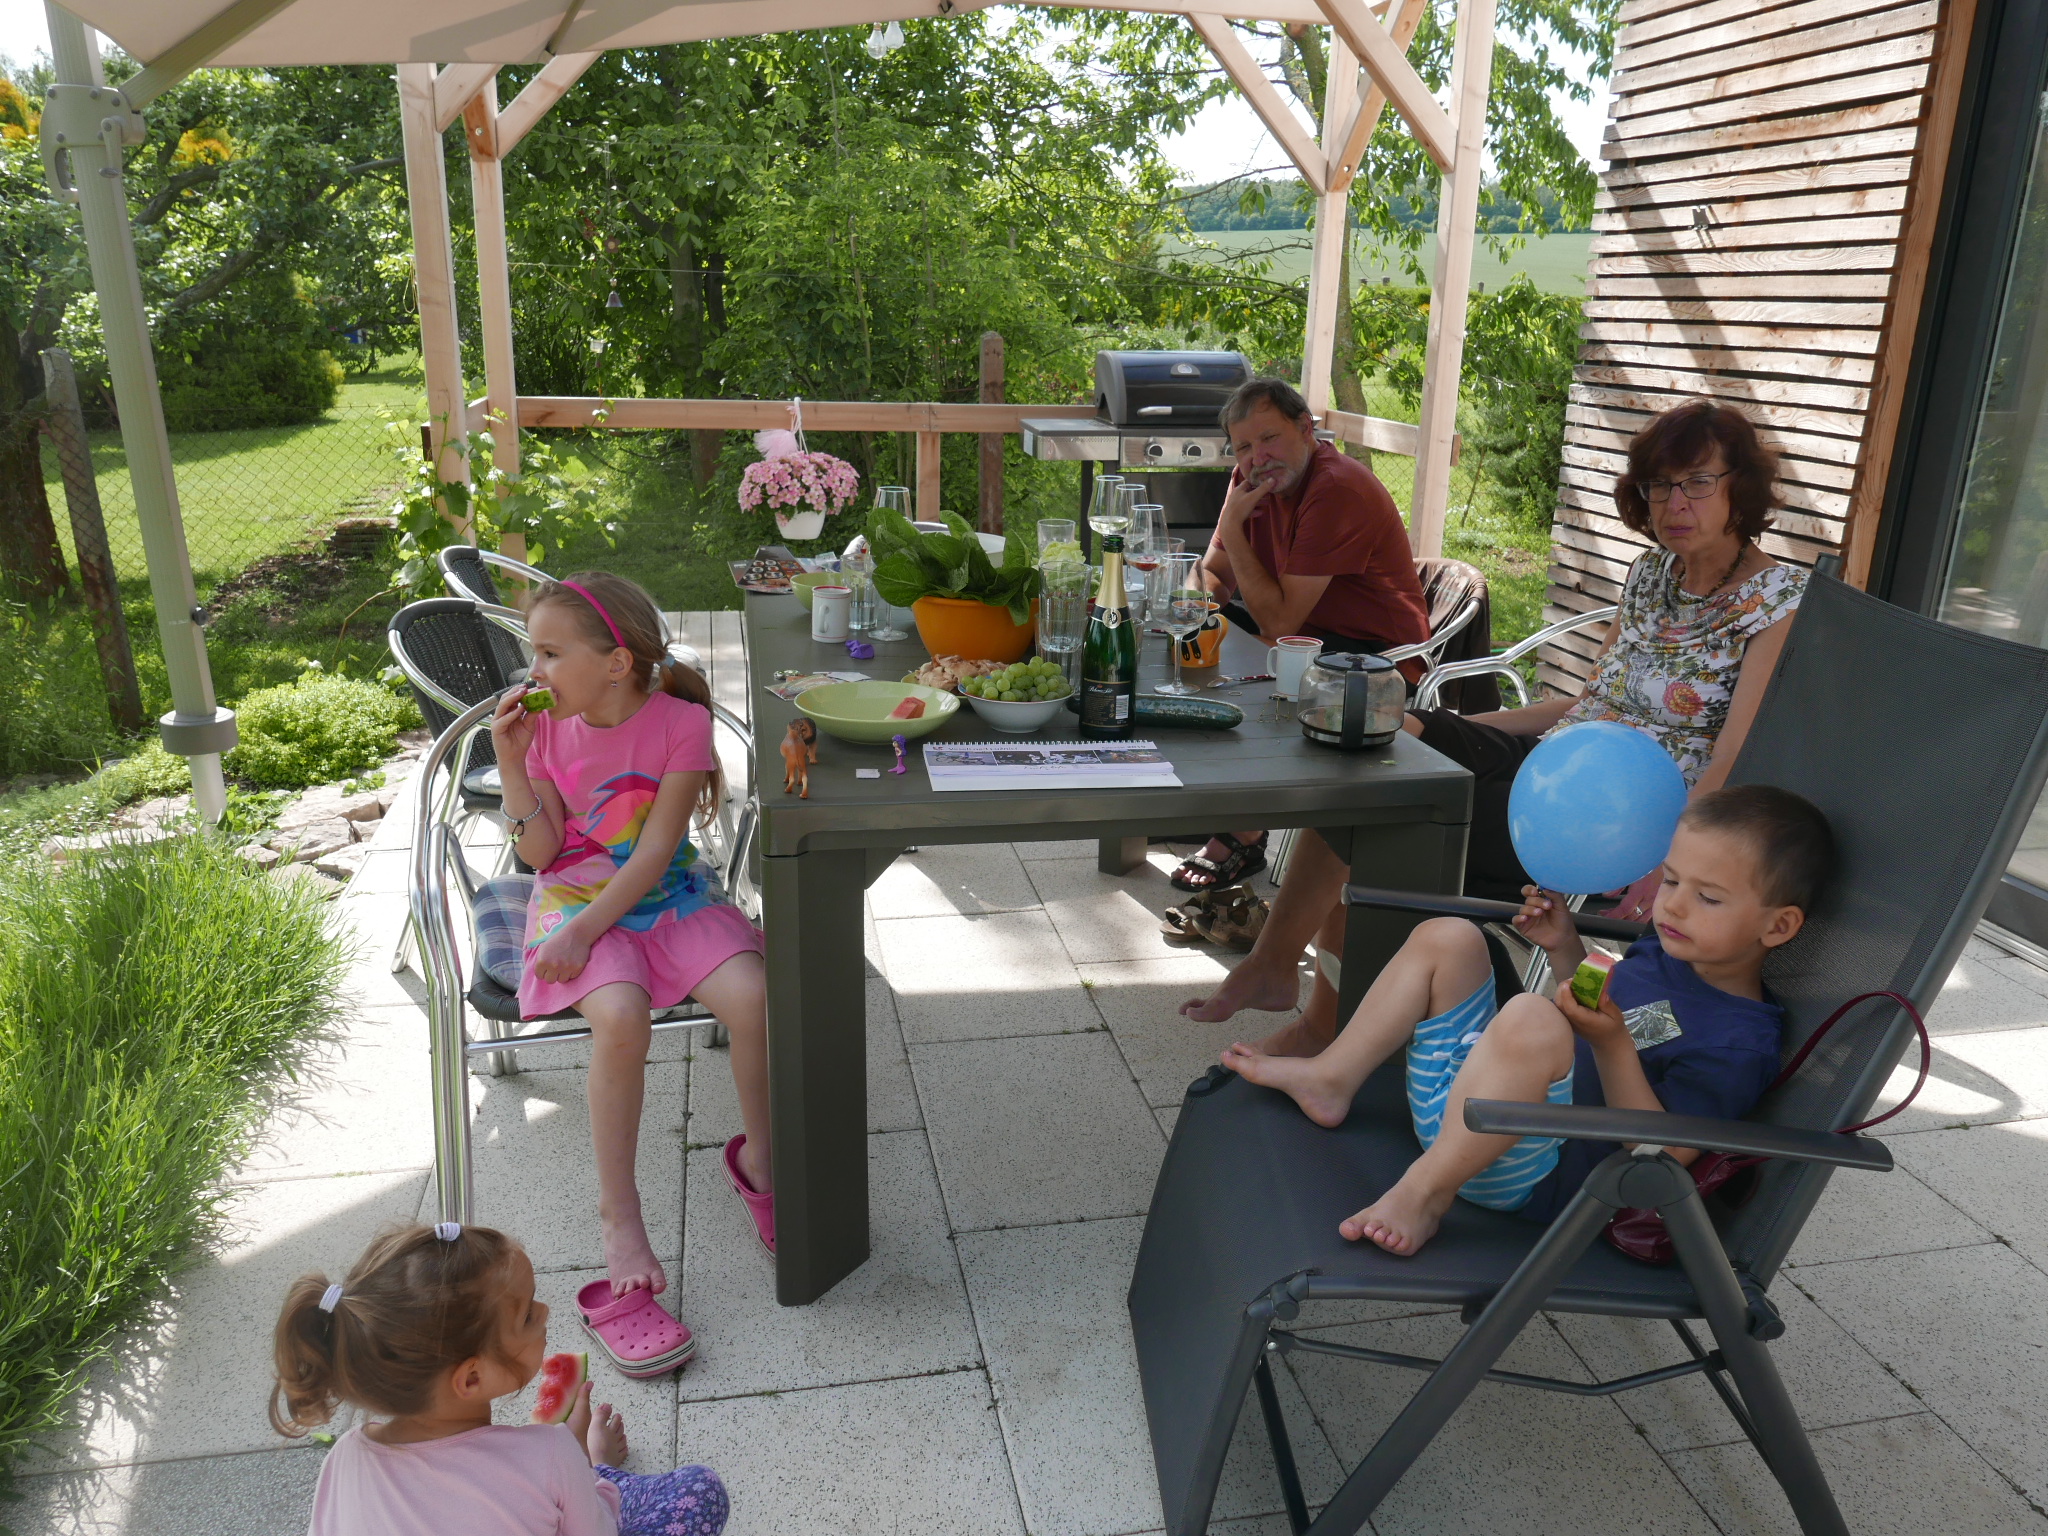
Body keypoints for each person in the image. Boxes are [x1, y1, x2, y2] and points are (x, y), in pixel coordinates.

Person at [1182, 398, 1809, 1055]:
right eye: (1659, 485)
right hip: (1561, 759)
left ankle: (1319, 1027)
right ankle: (1276, 967)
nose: (1674, 503)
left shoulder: (1776, 601)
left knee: (1386, 818)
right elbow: (1590, 701)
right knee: (1384, 744)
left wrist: (1676, 860)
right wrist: (1450, 729)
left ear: (1742, 488)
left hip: (1618, 816)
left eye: (1698, 482)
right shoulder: (1652, 572)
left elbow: (1733, 753)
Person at [1221, 784, 1833, 1256]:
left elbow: (1662, 1156)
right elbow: (1604, 1010)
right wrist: (1565, 948)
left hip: (1528, 1165)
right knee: (1449, 936)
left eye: (1708, 897)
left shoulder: (1738, 1042)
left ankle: (1423, 1193)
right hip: (1474, 1103)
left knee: (1531, 1017)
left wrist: (1613, 1046)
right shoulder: (1668, 953)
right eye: (1671, 880)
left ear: (1778, 926)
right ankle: (1333, 1077)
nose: (1673, 905)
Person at [491, 573, 775, 1331]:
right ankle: (620, 1214)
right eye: (534, 653)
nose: (533, 671)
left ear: (615, 663)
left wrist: (586, 934)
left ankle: (761, 1160)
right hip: (575, 896)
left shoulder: (682, 723)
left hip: (667, 893)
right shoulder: (545, 731)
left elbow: (653, 855)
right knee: (620, 1016)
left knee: (755, 998)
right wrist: (513, 766)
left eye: (550, 654)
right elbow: (541, 852)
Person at [272, 1221, 728, 1536]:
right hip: (573, 1480)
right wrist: (584, 1466)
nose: (545, 1312)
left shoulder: (345, 1456)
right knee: (698, 1489)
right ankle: (604, 1467)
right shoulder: (549, 1454)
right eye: (528, 1315)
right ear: (471, 1379)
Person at [1171, 377, 1434, 893]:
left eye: (1269, 438)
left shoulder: (1335, 489)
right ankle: (1207, 799)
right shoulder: (1252, 479)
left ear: (1306, 428)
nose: (1257, 457)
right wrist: (1192, 612)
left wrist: (1233, 529)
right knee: (1187, 654)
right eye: (1243, 447)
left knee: (1235, 675)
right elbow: (1214, 575)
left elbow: (1279, 623)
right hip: (1301, 637)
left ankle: (1242, 829)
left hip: (1374, 661)